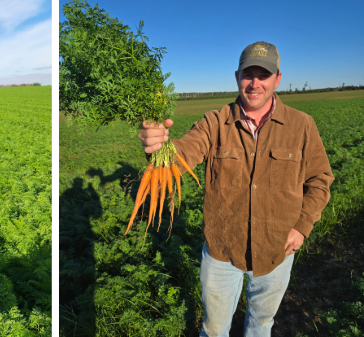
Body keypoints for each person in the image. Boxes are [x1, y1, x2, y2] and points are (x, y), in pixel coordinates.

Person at [138, 41, 334, 336]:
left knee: (260, 326)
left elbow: (320, 180)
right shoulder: (214, 123)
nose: (255, 83)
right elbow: (183, 154)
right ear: (237, 76)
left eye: (263, 75)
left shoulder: (302, 125)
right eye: (248, 74)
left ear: (277, 79)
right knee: (214, 330)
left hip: (276, 252)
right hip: (222, 253)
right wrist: (160, 148)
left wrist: (303, 226)